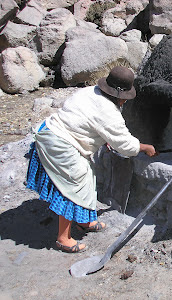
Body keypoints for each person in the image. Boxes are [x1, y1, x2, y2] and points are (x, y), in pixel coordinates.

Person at [26, 66, 157, 253]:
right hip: (58, 142)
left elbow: (87, 122)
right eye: (124, 98)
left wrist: (104, 140)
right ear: (119, 96)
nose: (124, 102)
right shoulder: (108, 112)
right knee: (73, 185)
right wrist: (145, 148)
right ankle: (63, 238)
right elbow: (125, 144)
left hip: (51, 131)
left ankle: (84, 221)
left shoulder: (90, 92)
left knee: (88, 176)